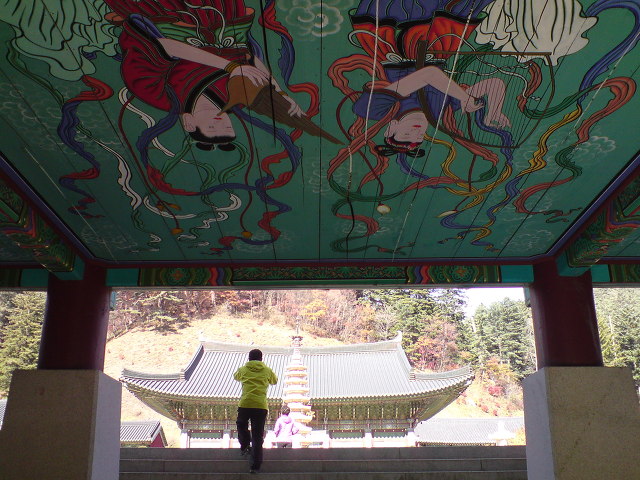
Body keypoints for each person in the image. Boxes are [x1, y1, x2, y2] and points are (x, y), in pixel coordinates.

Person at [234, 348, 278, 474]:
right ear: (261, 358)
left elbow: (236, 377)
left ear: (249, 358)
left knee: (241, 425)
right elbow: (274, 381)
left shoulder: (243, 369)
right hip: (260, 406)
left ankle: (245, 445)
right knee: (257, 436)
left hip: (245, 404)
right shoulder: (267, 370)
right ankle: (255, 466)